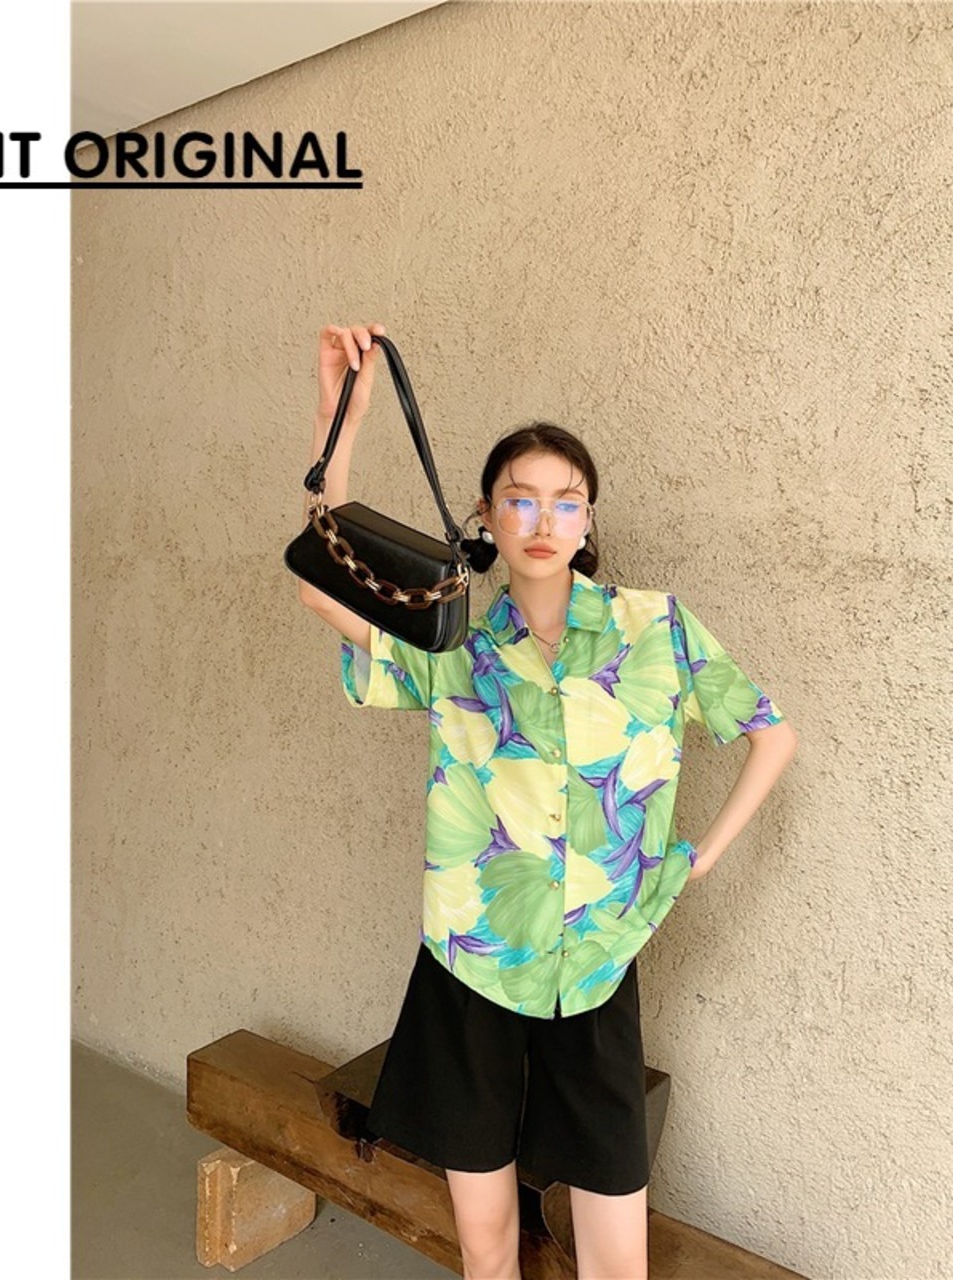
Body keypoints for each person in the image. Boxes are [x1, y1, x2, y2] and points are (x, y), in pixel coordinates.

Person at [297, 322, 799, 1280]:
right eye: (519, 498)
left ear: (587, 521)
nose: (543, 518)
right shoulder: (452, 648)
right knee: (485, 1247)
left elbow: (770, 734)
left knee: (617, 1255)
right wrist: (339, 422)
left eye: (566, 501)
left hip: (599, 959)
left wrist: (698, 859)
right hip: (473, 963)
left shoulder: (656, 629)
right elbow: (330, 587)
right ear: (485, 519)